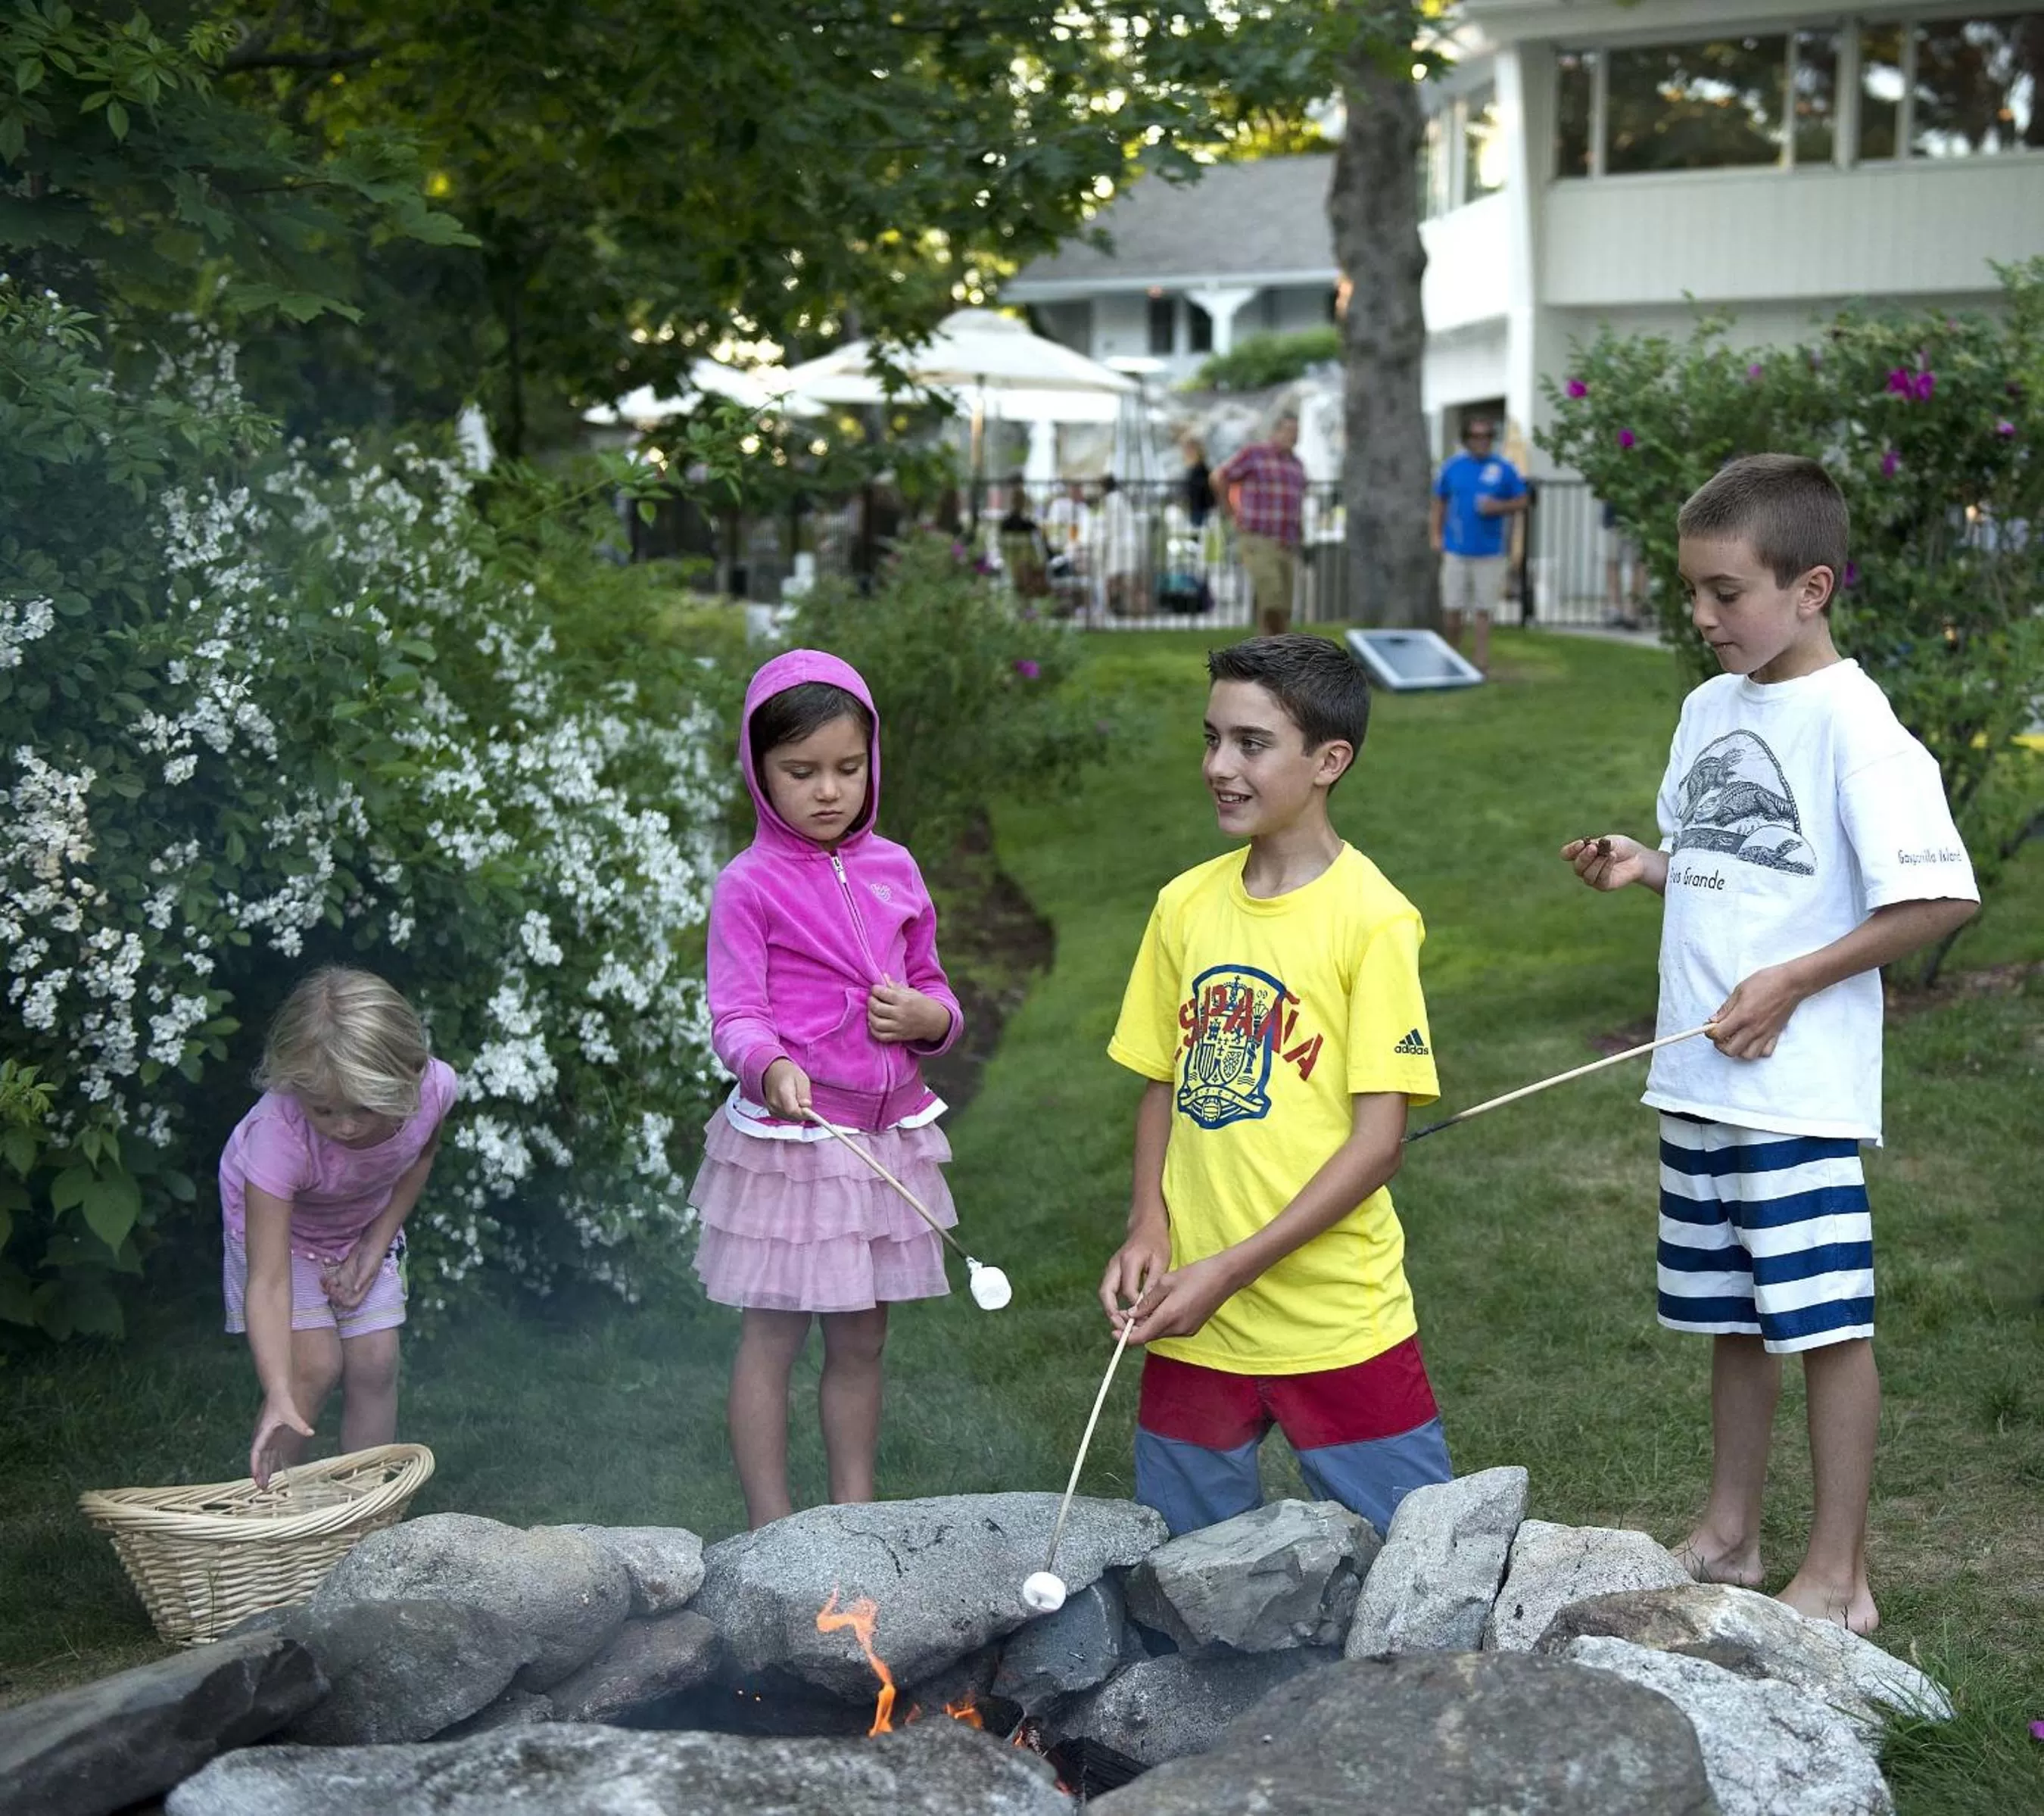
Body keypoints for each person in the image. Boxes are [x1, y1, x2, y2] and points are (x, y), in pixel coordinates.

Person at [1563, 454, 1977, 1634]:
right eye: (1692, 590)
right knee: (1732, 1317)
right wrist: (1645, 864)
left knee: (1823, 1322)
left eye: (1726, 591)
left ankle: (1840, 1572)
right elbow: (1731, 863)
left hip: (1790, 1091)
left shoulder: (1861, 727)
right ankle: (1733, 1532)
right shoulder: (1708, 708)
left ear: (1812, 587)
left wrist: (1795, 981)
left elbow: (1940, 899)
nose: (1701, 616)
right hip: (1696, 1078)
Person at [1098, 634, 1454, 1536]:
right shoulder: (1184, 905)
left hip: (1338, 1321)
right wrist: (1151, 1223)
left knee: (1423, 1559)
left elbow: (1378, 1145)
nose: (1219, 764)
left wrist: (1229, 1268)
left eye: (1251, 743)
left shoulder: (1373, 921)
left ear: (1329, 760)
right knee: (1181, 1576)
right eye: (1211, 736)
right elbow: (1162, 1083)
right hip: (1192, 1319)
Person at [690, 649, 964, 1528]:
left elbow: (937, 985)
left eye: (848, 768)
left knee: (863, 1336)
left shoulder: (896, 867)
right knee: (773, 1335)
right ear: (759, 770)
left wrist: (929, 1020)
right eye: (800, 772)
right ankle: (772, 1526)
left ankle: (856, 1513)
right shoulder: (749, 884)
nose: (828, 790)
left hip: (882, 1140)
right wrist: (770, 1067)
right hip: (794, 1140)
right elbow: (734, 1013)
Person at [222, 968, 457, 1488]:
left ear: (407, 1078)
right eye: (324, 1109)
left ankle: (364, 1506)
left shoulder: (434, 1089)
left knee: (376, 1359)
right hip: (281, 1236)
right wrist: (277, 1388)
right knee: (314, 1367)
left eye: (363, 1108)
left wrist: (376, 1243)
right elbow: (267, 1280)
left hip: (358, 1222)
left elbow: (421, 1155)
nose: (346, 1126)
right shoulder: (277, 1134)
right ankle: (270, 1511)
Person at [1430, 416, 1527, 674]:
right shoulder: (1453, 468)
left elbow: (1522, 500)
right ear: (1467, 440)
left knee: (1484, 610)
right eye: (1476, 436)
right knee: (1453, 608)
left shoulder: (1504, 468)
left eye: (1486, 436)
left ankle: (1481, 662)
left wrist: (1499, 507)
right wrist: (1436, 536)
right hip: (1457, 549)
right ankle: (1451, 657)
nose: (1482, 442)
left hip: (1490, 551)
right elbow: (1439, 503)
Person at [1213, 415, 1307, 636]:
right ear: (1275, 431)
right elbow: (1220, 477)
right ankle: (1281, 650)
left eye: (1296, 432)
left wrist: (1300, 533)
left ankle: (1266, 654)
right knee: (1272, 599)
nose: (1292, 436)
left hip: (1286, 542)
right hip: (1258, 538)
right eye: (1288, 430)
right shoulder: (1255, 454)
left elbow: (1297, 502)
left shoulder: (1297, 464)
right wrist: (1232, 513)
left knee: (1280, 605)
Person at [1180, 435, 1216, 529]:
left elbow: (1204, 488)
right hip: (1195, 507)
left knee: (1199, 533)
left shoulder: (1201, 468)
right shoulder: (1193, 468)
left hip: (1201, 507)